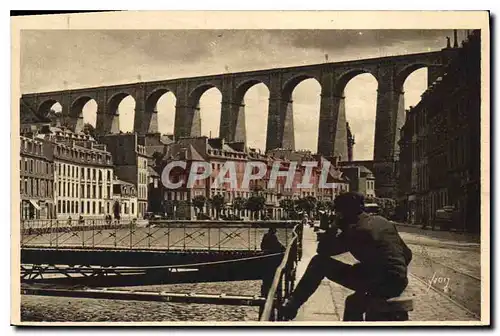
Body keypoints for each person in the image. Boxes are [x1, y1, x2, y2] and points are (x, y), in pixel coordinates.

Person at [281, 192, 413, 321]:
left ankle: (292, 306)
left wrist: (334, 225)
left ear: (342, 213)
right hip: (399, 281)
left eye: (337, 212)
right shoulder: (382, 222)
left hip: (382, 284)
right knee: (353, 302)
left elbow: (322, 251)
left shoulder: (355, 230)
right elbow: (407, 255)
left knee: (319, 263)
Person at [259, 227, 286, 319]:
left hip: (265, 257)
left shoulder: (265, 236)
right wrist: (284, 249)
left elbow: (262, 245)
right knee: (271, 277)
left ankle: (265, 291)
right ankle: (272, 295)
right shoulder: (273, 237)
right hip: (271, 258)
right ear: (274, 231)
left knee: (266, 279)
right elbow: (278, 245)